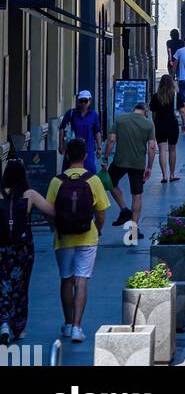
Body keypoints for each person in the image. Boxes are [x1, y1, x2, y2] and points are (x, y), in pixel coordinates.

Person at [46, 137, 109, 342]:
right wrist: (98, 229)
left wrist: (57, 227)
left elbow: (49, 211)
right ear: (85, 156)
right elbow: (100, 212)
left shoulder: (56, 181)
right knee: (82, 280)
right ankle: (77, 327)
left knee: (66, 279)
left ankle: (66, 323)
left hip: (63, 238)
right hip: (87, 236)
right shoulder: (93, 180)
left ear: (66, 155)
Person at [0, 159, 54, 344]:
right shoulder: (29, 194)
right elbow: (51, 211)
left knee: (3, 284)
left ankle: (3, 322)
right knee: (21, 286)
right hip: (23, 249)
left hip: (2, 248)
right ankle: (19, 326)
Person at [101, 102, 156, 237]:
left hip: (119, 161)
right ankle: (134, 231)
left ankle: (124, 209)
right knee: (136, 196)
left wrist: (105, 158)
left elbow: (111, 140)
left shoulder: (120, 119)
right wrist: (149, 166)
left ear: (134, 110)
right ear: (146, 112)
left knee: (109, 182)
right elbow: (152, 147)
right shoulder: (148, 124)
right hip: (138, 164)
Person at [58, 90, 102, 173]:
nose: (83, 104)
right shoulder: (71, 113)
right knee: (70, 169)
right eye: (81, 101)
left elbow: (97, 132)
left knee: (88, 170)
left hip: (88, 148)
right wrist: (61, 144)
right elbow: (62, 128)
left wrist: (99, 147)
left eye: (85, 101)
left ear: (90, 101)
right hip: (72, 147)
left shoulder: (93, 115)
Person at [149, 76, 180, 183]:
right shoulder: (176, 96)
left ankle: (164, 176)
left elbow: (153, 113)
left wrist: (155, 123)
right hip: (173, 124)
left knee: (162, 150)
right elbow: (183, 111)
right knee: (172, 150)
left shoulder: (156, 97)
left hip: (160, 125)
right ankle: (172, 174)